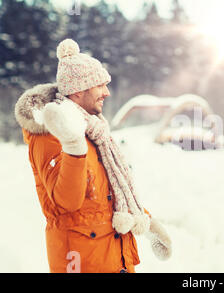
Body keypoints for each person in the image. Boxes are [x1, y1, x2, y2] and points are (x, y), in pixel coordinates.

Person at [15, 39, 172, 273]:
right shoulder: (49, 134)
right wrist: (72, 146)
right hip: (80, 262)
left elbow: (109, 196)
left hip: (115, 260)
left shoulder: (95, 131)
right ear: (79, 90)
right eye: (100, 85)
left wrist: (147, 223)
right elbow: (67, 203)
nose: (107, 92)